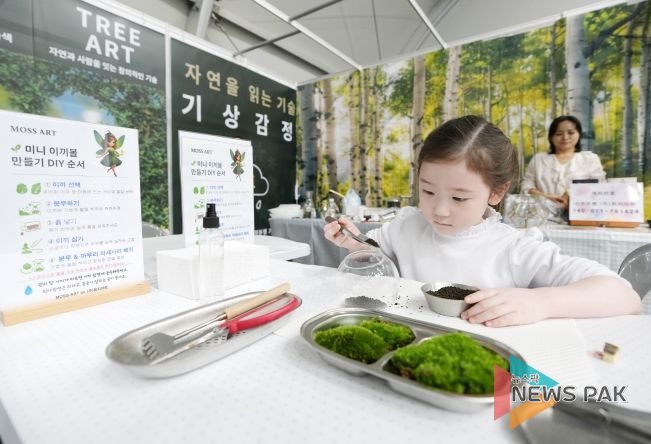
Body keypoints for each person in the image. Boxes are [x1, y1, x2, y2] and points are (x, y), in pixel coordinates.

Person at [324, 116, 640, 327]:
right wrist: (353, 243)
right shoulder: (407, 225)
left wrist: (539, 302)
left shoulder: (514, 248)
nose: (439, 210)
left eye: (459, 198)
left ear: (496, 192)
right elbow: (380, 256)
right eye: (428, 191)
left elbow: (623, 295)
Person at [521, 115, 605, 209]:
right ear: (551, 137)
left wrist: (571, 194)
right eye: (559, 134)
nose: (565, 137)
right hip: (543, 213)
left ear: (579, 134)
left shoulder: (590, 159)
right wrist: (547, 197)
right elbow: (526, 186)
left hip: (580, 213)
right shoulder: (538, 159)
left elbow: (600, 187)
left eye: (571, 132)